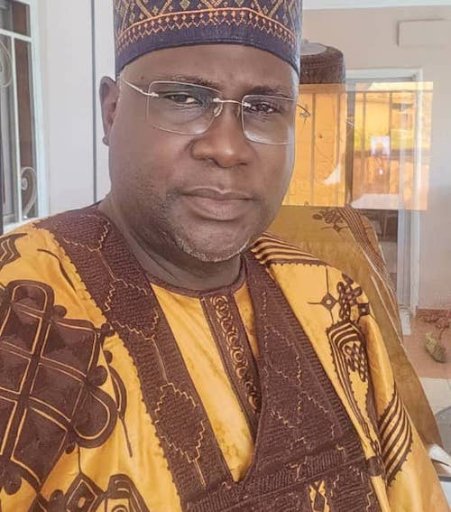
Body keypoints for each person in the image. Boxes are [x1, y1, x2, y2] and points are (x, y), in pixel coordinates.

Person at [0, 1, 447, 511]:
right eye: (183, 98)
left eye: (265, 108)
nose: (228, 148)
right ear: (112, 110)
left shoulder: (330, 295)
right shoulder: (19, 302)